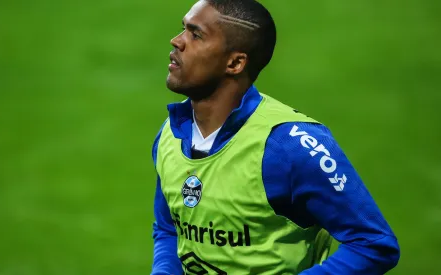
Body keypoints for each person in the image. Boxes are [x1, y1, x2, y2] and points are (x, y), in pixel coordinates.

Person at [151, 0, 400, 274]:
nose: (177, 41)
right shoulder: (171, 135)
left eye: (195, 34)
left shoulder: (289, 146)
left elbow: (373, 244)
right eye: (183, 29)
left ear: (235, 63)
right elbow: (169, 227)